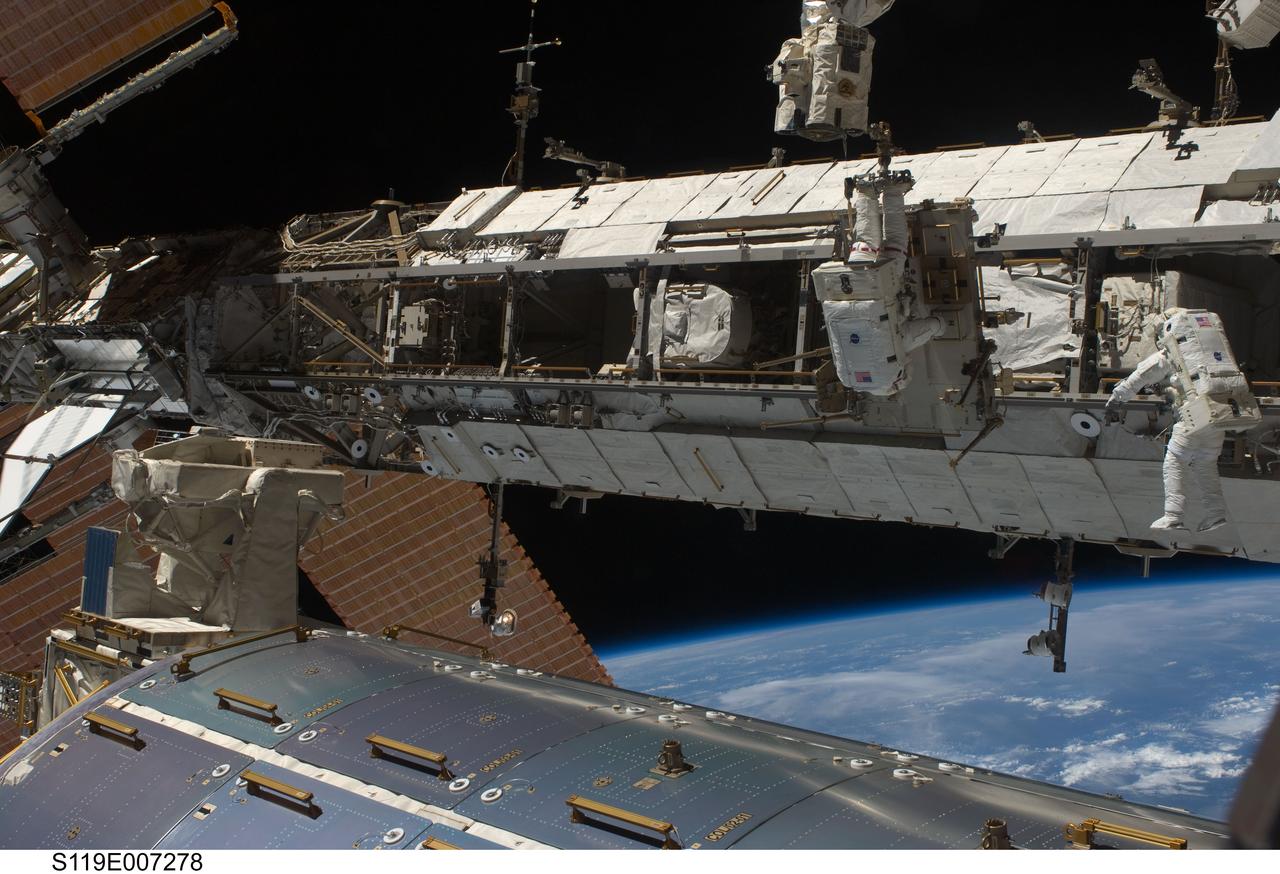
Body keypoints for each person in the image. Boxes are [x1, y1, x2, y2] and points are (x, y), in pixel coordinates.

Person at [1105, 348, 1227, 534]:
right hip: (1218, 419)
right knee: (1206, 466)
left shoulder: (1173, 351)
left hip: (1192, 419)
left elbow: (1140, 376)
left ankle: (1173, 517)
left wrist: (1115, 399)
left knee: (1175, 462)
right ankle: (1216, 514)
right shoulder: (1212, 352)